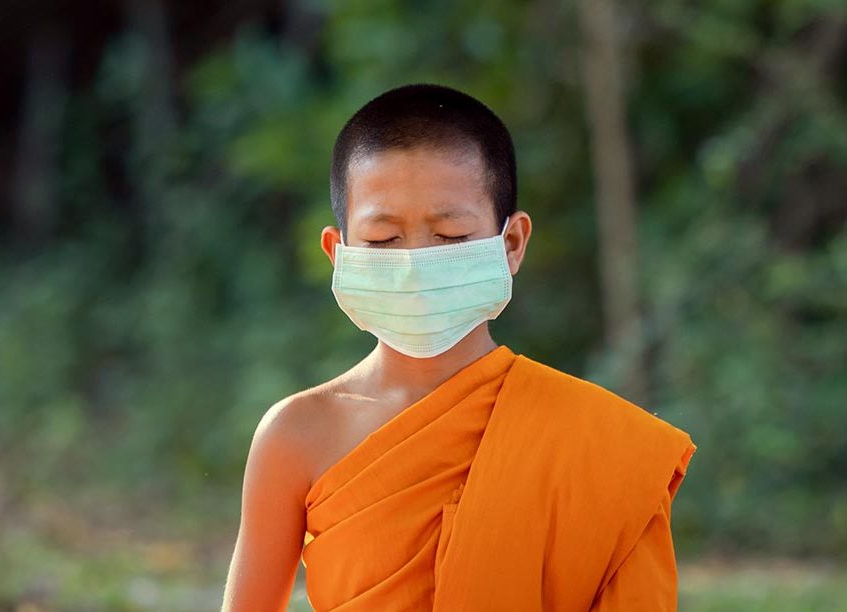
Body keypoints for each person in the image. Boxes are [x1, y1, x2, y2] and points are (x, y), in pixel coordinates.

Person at [221, 83, 697, 612]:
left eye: (449, 236)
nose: (415, 264)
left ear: (511, 244)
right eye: (383, 240)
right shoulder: (296, 435)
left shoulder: (607, 449)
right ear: (340, 253)